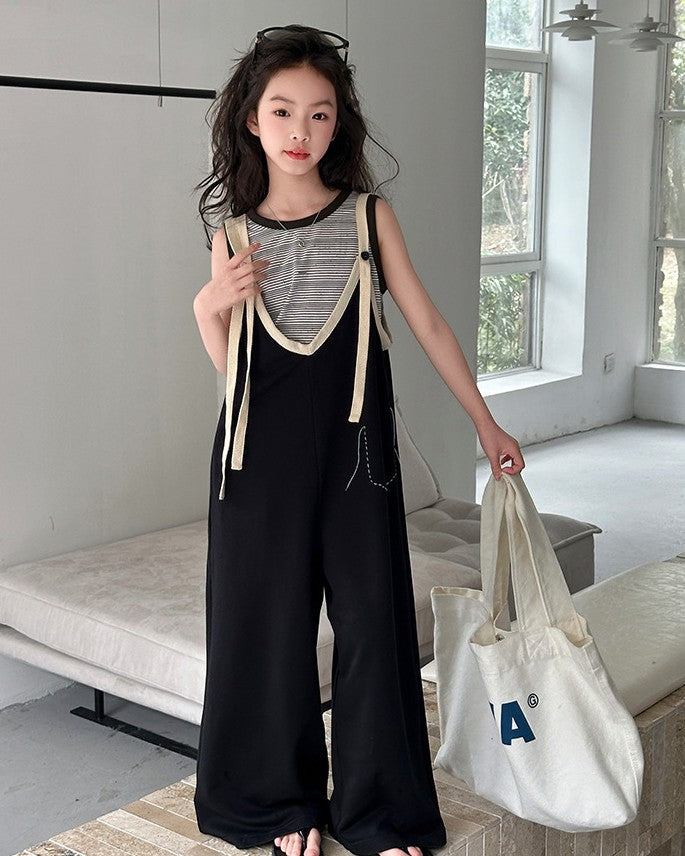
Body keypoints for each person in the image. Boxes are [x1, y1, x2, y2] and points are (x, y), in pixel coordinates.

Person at [191, 24, 525, 856]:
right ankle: (281, 807)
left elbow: (429, 324)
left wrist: (483, 422)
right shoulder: (230, 237)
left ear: (337, 123)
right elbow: (235, 373)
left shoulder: (370, 218)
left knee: (374, 626)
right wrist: (206, 307)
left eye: (319, 113)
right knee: (265, 631)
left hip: (356, 462)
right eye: (282, 111)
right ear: (252, 120)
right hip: (255, 464)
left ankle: (382, 813)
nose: (299, 131)